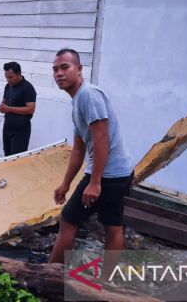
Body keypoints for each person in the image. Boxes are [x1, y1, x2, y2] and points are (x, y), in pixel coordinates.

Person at [49, 48, 133, 280]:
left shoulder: (88, 95)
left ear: (79, 69)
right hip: (119, 172)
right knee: (113, 225)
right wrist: (65, 184)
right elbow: (79, 148)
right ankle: (108, 282)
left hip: (108, 175)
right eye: (55, 69)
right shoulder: (78, 101)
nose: (59, 73)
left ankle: (48, 278)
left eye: (65, 67)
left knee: (68, 220)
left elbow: (101, 138)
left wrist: (95, 182)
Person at [0, 62, 37, 156]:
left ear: (19, 73)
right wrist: (1, 107)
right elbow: (4, 101)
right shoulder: (8, 86)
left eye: (11, 77)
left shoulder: (28, 88)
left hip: (21, 130)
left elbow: (31, 109)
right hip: (7, 127)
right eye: (6, 77)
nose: (8, 80)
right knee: (7, 156)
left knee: (17, 158)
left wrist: (9, 109)